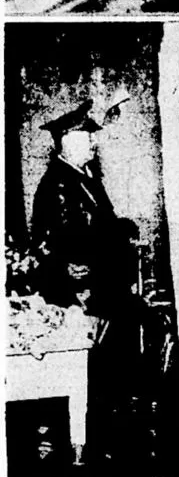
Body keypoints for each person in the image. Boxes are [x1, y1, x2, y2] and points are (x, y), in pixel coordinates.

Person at [31, 100, 132, 317]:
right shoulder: (57, 182)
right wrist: (67, 266)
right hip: (78, 288)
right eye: (89, 136)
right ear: (69, 141)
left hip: (98, 279)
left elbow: (99, 220)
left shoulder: (85, 176)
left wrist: (122, 227)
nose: (95, 141)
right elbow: (54, 238)